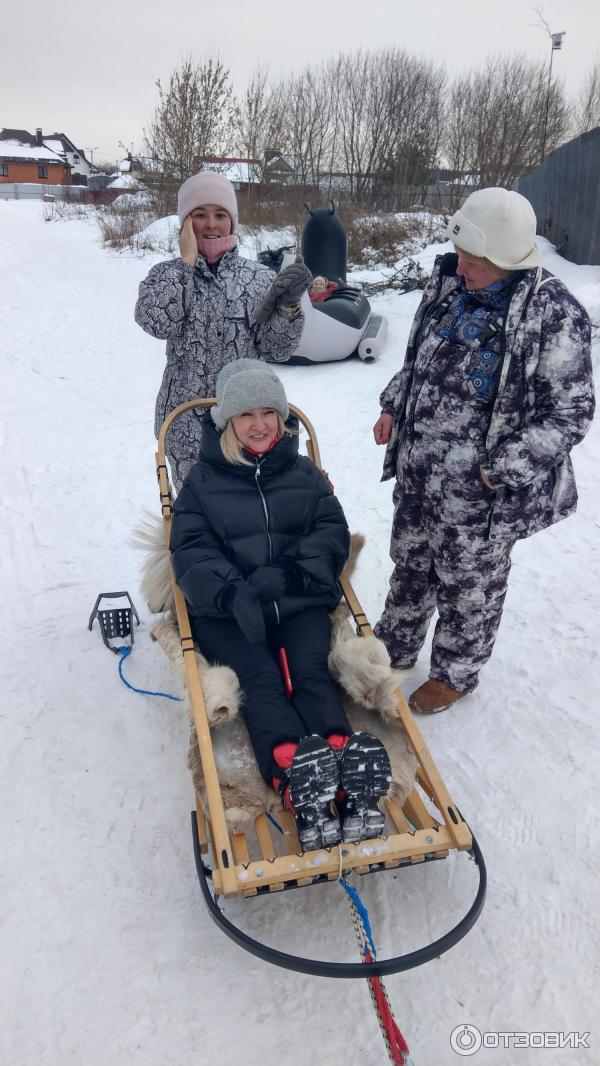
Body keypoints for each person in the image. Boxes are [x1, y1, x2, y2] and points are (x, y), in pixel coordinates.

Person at [373, 187, 595, 715]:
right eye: (460, 255)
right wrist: (393, 406)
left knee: (470, 583)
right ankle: (395, 644)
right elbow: (419, 361)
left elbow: (570, 413)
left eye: (474, 261)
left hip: (481, 493)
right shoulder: (451, 284)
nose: (461, 267)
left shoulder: (552, 312)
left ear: (507, 260)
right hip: (421, 471)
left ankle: (454, 673)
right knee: (410, 561)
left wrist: (498, 471)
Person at [170, 360, 391, 851]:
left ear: (281, 417)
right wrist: (232, 591)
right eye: (246, 414)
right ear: (228, 422)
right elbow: (190, 551)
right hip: (230, 613)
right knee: (262, 681)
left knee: (309, 673)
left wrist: (288, 574)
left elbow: (330, 533)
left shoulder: (304, 473)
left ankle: (346, 767)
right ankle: (295, 776)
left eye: (269, 412)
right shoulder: (202, 482)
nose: (260, 425)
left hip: (296, 601)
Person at [135, 172, 312, 491]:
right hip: (186, 425)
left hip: (248, 424)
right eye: (199, 214)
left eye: (220, 215)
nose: (211, 224)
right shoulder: (166, 274)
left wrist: (288, 306)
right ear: (185, 221)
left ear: (232, 220)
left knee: (251, 511)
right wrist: (186, 265)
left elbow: (276, 350)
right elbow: (156, 322)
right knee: (196, 513)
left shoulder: (258, 277)